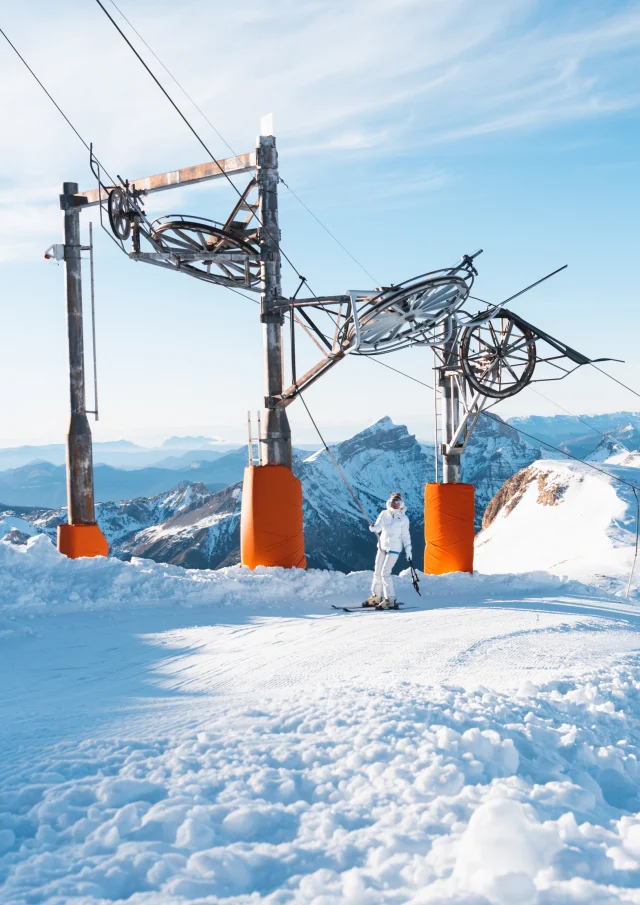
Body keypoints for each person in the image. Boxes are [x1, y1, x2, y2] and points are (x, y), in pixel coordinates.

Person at [365, 492, 412, 608]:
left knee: (385, 573)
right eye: (393, 502)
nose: (395, 504)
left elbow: (406, 536)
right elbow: (379, 526)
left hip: (394, 548)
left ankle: (390, 599)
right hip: (382, 546)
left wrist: (408, 550)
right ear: (389, 502)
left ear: (401, 504)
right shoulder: (384, 514)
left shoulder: (403, 518)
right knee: (377, 572)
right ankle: (376, 596)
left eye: (397, 502)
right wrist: (373, 528)